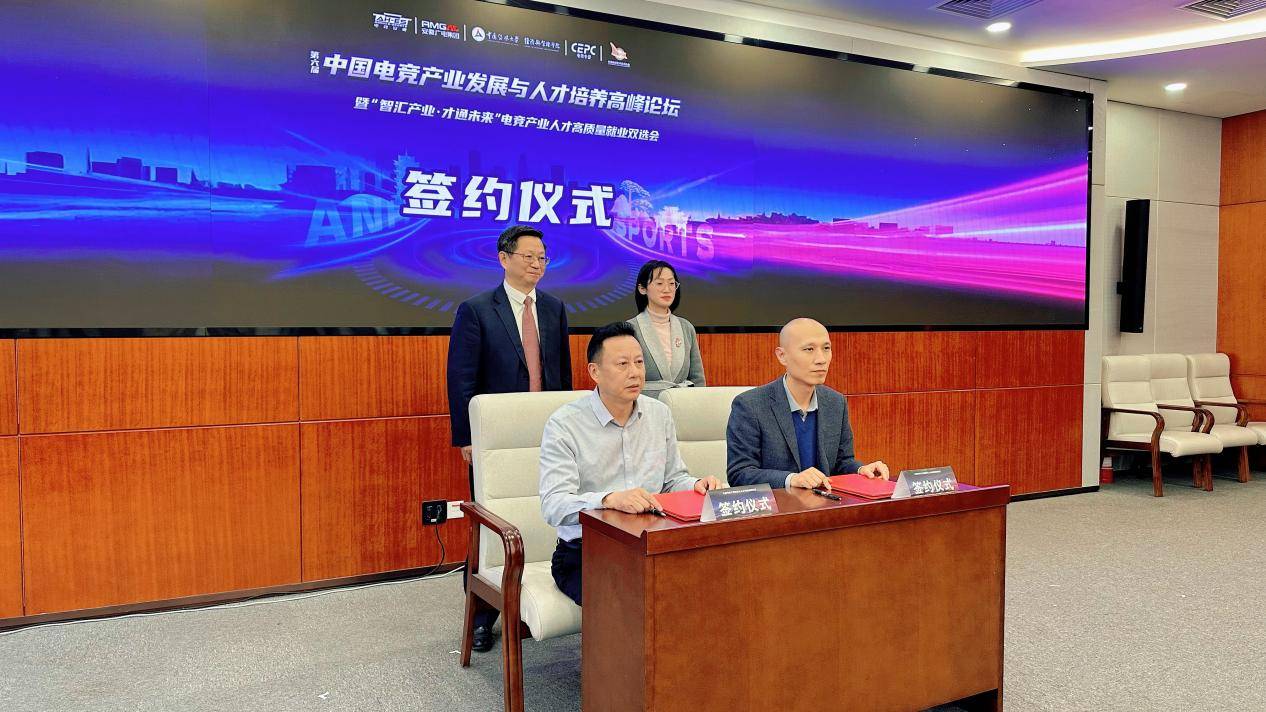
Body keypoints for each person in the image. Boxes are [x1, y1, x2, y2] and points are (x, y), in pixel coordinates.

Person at [447, 224, 572, 653]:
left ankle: (532, 602)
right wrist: (468, 438)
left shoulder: (554, 309)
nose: (537, 264)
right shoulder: (477, 310)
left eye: (542, 258)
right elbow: (461, 378)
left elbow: (562, 376)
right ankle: (482, 617)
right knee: (492, 525)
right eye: (528, 256)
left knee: (543, 514)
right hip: (497, 439)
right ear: (504, 258)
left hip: (547, 432)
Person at [538, 322, 722, 605]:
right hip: (586, 550)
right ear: (595, 372)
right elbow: (554, 505)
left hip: (652, 543)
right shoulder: (565, 425)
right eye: (622, 364)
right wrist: (608, 499)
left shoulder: (659, 414)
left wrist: (697, 485)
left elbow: (672, 480)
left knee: (711, 583)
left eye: (639, 362)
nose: (635, 372)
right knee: (633, 601)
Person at [726, 318, 889, 490]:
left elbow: (842, 462)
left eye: (826, 348)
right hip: (779, 504)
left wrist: (861, 470)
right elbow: (740, 473)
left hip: (825, 503)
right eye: (809, 349)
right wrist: (791, 479)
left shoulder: (836, 402)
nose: (821, 359)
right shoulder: (750, 405)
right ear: (782, 356)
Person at [626, 259, 705, 399]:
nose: (667, 289)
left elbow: (697, 378)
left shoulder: (686, 327)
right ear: (642, 288)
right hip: (645, 403)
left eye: (671, 283)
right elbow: (626, 377)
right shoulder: (630, 329)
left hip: (683, 403)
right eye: (659, 283)